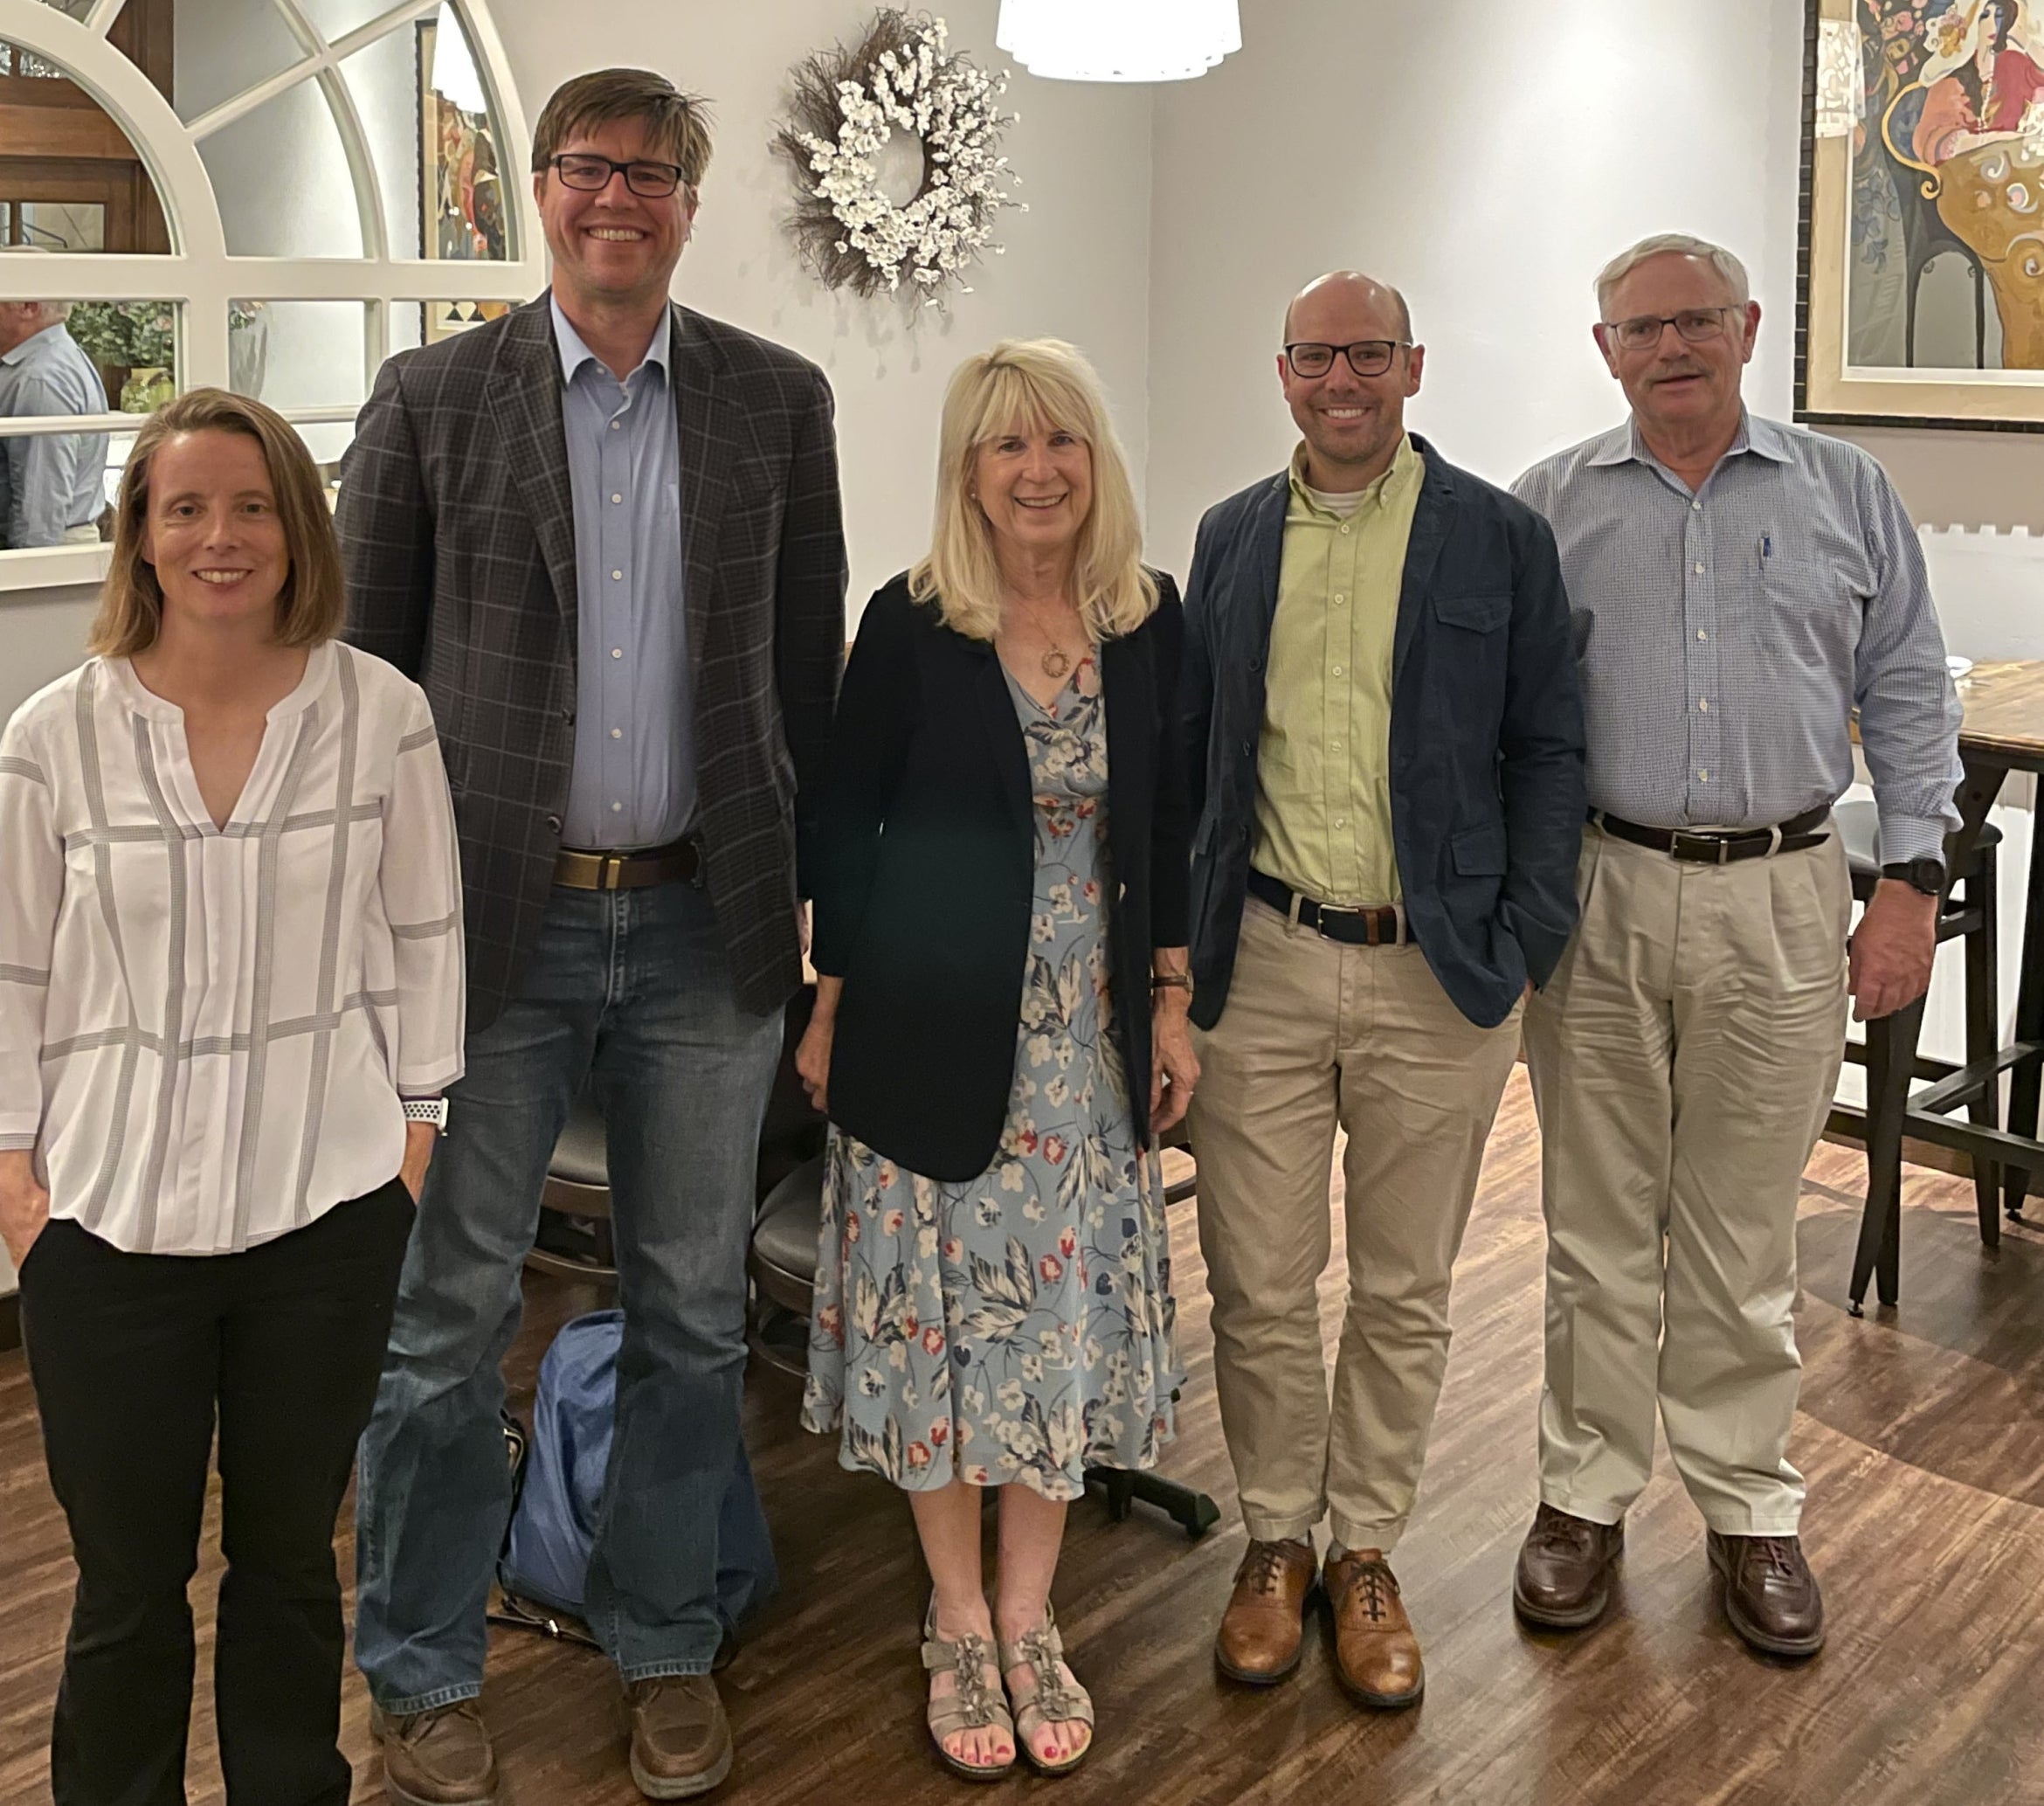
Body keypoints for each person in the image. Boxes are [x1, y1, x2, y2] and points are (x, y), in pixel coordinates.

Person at [339, 66, 846, 1805]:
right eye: (584, 167)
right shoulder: (431, 401)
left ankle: (664, 1640)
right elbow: (365, 699)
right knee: (442, 1314)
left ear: (691, 204)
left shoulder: (780, 403)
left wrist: (820, 938)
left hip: (708, 940)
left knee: (697, 1311)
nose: (616, 195)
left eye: (650, 171)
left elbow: (808, 687)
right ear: (535, 194)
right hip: (492, 943)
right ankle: (417, 1668)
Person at [0, 387, 463, 1805]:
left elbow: (426, 937)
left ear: (297, 528)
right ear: (137, 534)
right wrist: (17, 1181)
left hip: (323, 1218)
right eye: (185, 507)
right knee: (129, 1586)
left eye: (252, 504)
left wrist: (415, 1143)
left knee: (285, 1565)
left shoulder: (381, 717)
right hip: (102, 1225)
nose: (220, 535)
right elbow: (13, 967)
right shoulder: (51, 736)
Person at [1509, 233, 1962, 1659]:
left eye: (1696, 319)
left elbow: (1904, 697)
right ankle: (1582, 1493)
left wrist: (1908, 883)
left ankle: (1750, 1504)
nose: (1670, 347)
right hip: (1601, 889)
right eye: (1640, 328)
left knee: (1741, 1228)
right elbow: (1507, 720)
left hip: (1782, 889)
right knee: (1594, 1223)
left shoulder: (1846, 493)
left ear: (1749, 326)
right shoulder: (1549, 510)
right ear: (1605, 351)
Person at [1180, 271, 1585, 1710]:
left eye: (1368, 353)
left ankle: (1368, 1553)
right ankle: (1276, 1539)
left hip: (1440, 967)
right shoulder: (1229, 537)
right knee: (1259, 1283)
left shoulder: (1499, 536)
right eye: (1316, 356)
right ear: (1281, 373)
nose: (1342, 377)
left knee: (1406, 1287)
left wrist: (1529, 930)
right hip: (1266, 960)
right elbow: (1204, 758)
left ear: (1412, 366)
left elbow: (1549, 748)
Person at [798, 339, 1194, 1781]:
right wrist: (831, 1001)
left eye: (1063, 443)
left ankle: (1033, 1614)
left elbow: (1173, 821)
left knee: (1054, 1336)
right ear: (968, 469)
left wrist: (1167, 994)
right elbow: (845, 826)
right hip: (930, 1027)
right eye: (1007, 447)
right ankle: (954, 1612)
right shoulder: (912, 625)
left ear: (1098, 459)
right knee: (943, 1337)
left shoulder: (1153, 621)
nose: (1039, 472)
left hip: (1085, 1048)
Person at [0, 298, 110, 549]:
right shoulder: (52, 360)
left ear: (29, 306)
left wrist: (28, 575)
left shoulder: (39, 378)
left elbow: (40, 501)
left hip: (46, 547)